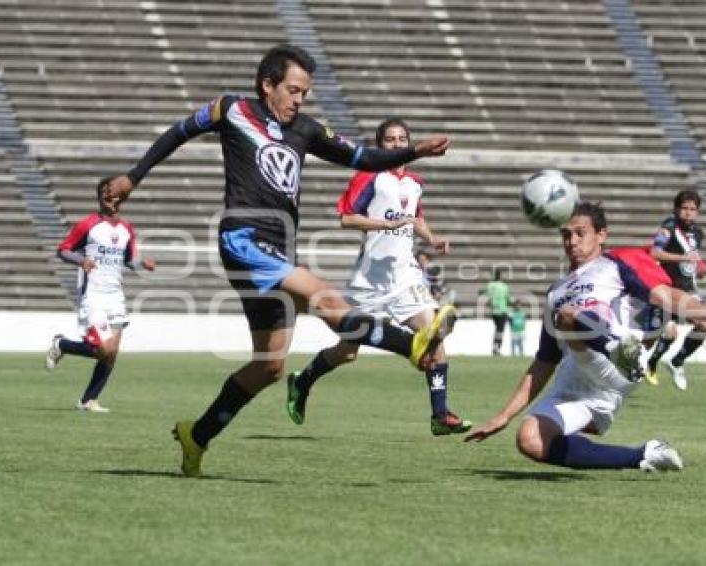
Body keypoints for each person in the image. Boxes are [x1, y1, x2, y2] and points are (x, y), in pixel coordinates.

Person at [105, 45, 455, 477]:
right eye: (293, 90)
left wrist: (413, 151)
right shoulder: (230, 109)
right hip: (244, 240)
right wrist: (133, 176)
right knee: (326, 299)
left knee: (269, 366)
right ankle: (410, 344)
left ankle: (197, 434)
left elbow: (362, 157)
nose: (299, 100)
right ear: (267, 85)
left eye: (305, 93)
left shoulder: (305, 130)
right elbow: (177, 133)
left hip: (278, 249)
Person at [464, 202, 706, 473]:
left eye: (580, 233)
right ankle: (646, 455)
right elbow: (544, 362)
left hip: (618, 365)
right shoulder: (556, 291)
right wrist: (503, 417)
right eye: (566, 235)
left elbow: (664, 295)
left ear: (601, 235)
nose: (572, 241)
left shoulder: (618, 261)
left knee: (570, 315)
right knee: (530, 440)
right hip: (576, 381)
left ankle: (617, 348)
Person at [284, 118, 471, 436]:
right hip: (369, 279)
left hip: (405, 276)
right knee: (348, 351)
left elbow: (415, 217)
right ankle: (302, 382)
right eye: (390, 140)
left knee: (434, 336)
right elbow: (347, 218)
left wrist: (432, 238)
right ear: (380, 145)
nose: (397, 145)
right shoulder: (371, 175)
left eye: (402, 139)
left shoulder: (414, 182)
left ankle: (440, 415)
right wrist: (381, 225)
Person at [45, 176, 156, 412]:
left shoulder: (127, 229)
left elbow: (128, 260)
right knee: (102, 349)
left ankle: (88, 400)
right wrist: (81, 260)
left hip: (115, 295)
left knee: (111, 353)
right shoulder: (88, 225)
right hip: (94, 294)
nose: (109, 194)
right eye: (104, 191)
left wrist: (141, 264)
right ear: (99, 197)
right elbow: (63, 250)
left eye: (112, 191)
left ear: (121, 197)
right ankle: (62, 344)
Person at [643, 189, 706, 390]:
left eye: (692, 209)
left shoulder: (698, 233)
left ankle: (677, 361)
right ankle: (650, 362)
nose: (688, 212)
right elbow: (655, 252)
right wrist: (683, 259)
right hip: (667, 290)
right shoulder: (668, 229)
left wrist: (698, 268)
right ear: (676, 209)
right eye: (684, 208)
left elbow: (691, 257)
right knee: (668, 333)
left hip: (688, 290)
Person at [481, 267, 511, 355]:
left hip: (494, 311)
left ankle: (495, 347)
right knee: (500, 330)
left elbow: (487, 296)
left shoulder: (490, 285)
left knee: (497, 329)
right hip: (502, 311)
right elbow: (508, 299)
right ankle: (497, 348)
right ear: (501, 276)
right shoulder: (504, 286)